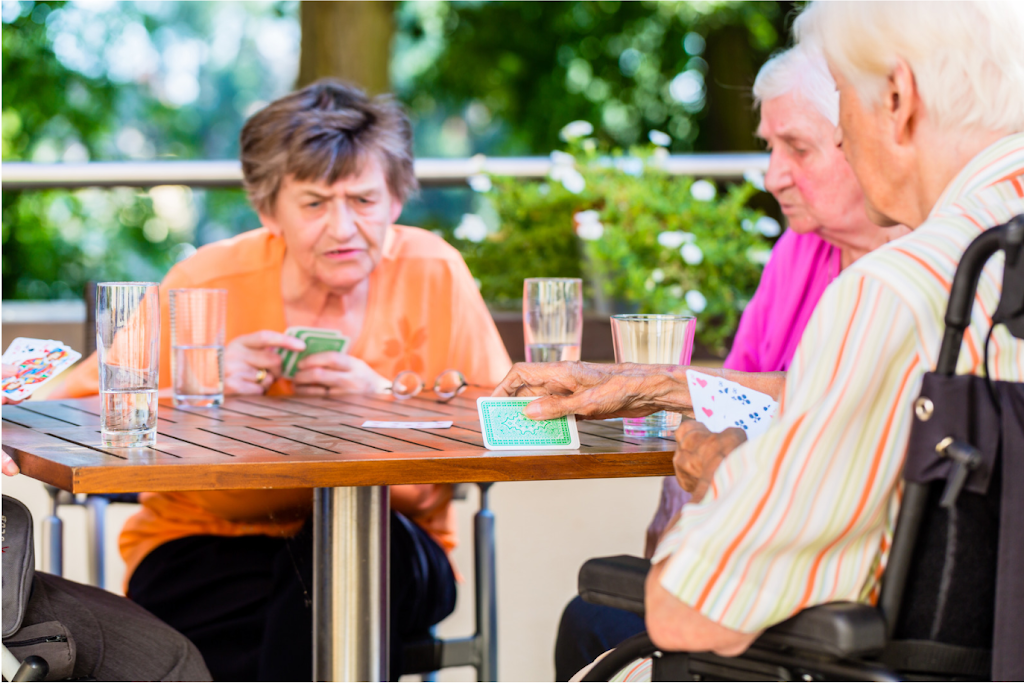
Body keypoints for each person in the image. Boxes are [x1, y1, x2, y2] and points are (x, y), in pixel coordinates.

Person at [497, 1, 1024, 678]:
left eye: (840, 101)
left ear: (897, 97)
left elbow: (696, 607)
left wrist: (730, 475)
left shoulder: (900, 290)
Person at [49, 80, 512, 680]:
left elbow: (513, 422)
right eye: (316, 203)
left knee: (338, 570)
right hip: (205, 540)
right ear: (270, 211)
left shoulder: (434, 271)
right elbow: (72, 402)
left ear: (396, 200)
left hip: (392, 540)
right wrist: (200, 380)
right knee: (314, 615)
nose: (344, 228)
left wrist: (386, 399)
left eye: (364, 201)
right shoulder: (207, 279)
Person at [552, 43, 910, 680]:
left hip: (811, 583)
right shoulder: (802, 252)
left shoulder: (909, 283)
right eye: (770, 148)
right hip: (758, 554)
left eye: (796, 148)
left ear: (864, 137)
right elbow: (725, 394)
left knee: (592, 617)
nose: (772, 175)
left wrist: (664, 392)